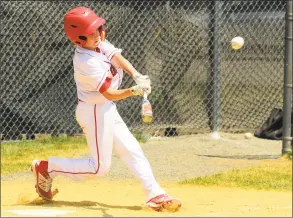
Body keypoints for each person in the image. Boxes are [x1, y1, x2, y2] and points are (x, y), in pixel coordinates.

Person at [31, 7, 181, 212]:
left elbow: (115, 57)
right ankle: (46, 168)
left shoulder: (96, 43)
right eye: (92, 32)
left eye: (98, 28)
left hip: (105, 109)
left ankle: (155, 193)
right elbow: (109, 93)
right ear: (78, 40)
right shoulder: (86, 61)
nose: (99, 34)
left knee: (131, 149)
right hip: (94, 112)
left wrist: (135, 73)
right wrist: (134, 91)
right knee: (99, 168)